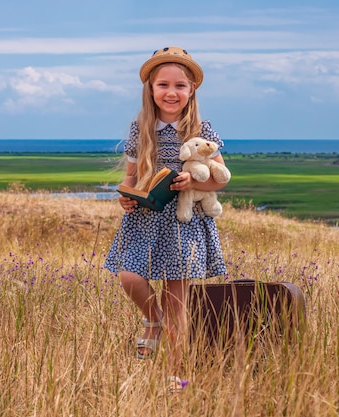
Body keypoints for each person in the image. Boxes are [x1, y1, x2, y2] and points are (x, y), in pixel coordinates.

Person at [103, 46, 229, 392]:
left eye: (180, 86)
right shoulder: (140, 127)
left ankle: (176, 375)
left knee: (178, 301)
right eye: (163, 85)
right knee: (130, 277)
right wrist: (125, 196)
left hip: (184, 222)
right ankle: (152, 320)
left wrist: (194, 181)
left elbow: (222, 177)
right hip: (144, 219)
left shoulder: (201, 129)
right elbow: (130, 177)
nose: (171, 93)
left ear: (191, 91)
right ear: (151, 89)